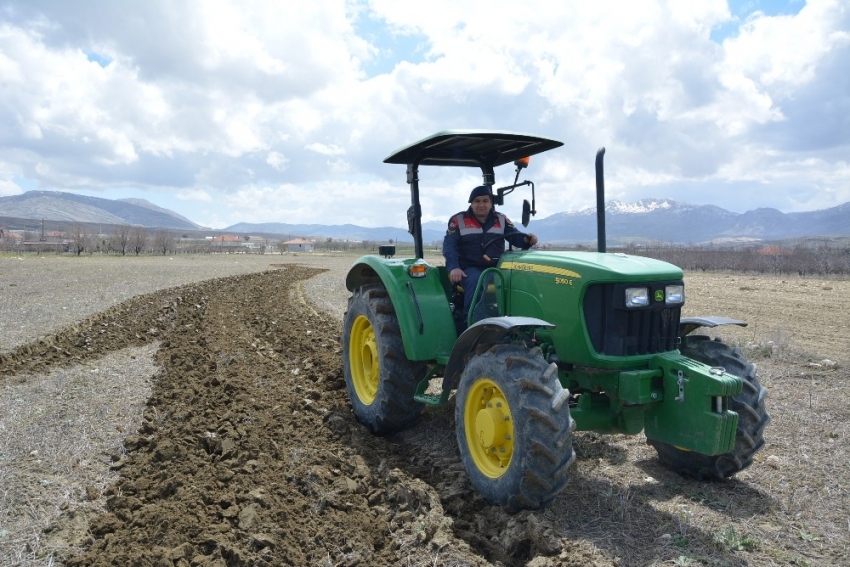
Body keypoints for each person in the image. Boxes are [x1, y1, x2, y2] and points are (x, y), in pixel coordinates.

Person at [442, 185, 538, 327]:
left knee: (522, 280)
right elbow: (449, 246)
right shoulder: (459, 220)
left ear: (491, 203)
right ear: (471, 203)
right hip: (469, 268)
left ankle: (522, 324)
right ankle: (473, 328)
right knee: (477, 281)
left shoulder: (501, 219)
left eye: (485, 201)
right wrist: (454, 267)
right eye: (477, 201)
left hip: (496, 268)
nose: (481, 205)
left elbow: (515, 238)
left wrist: (527, 240)